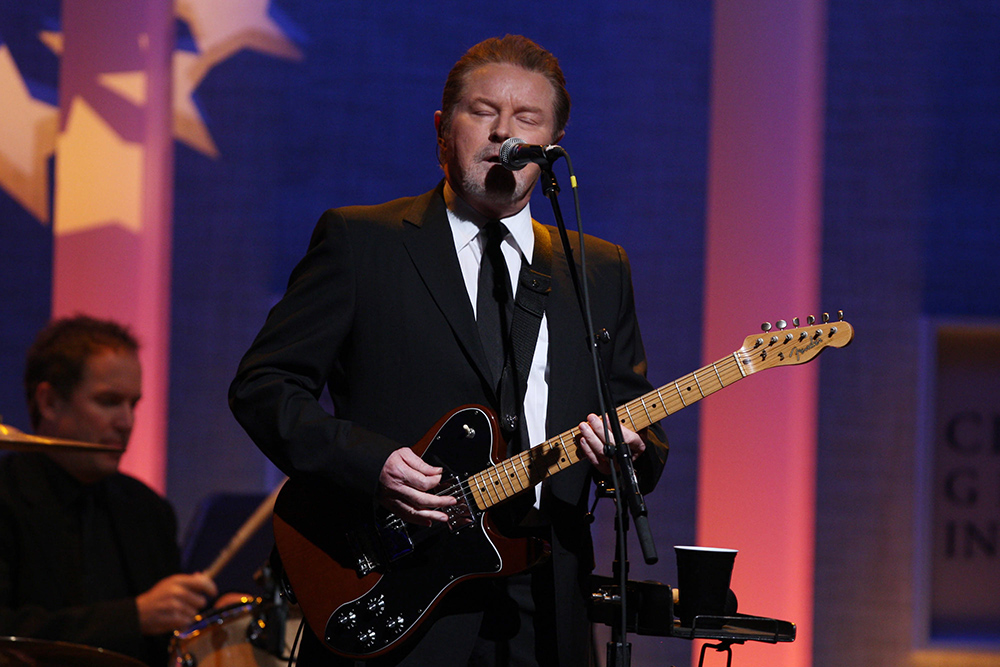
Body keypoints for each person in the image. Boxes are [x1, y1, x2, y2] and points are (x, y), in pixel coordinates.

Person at [229, 35, 668, 666]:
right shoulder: (363, 242)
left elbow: (635, 422)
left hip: (546, 598)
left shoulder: (597, 269)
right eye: (483, 113)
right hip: (399, 579)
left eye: (527, 119)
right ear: (442, 129)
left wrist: (624, 455)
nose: (503, 134)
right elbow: (264, 385)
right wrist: (372, 463)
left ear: (552, 144)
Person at [0, 316, 219, 666]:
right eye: (108, 402)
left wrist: (209, 621)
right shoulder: (6, 495)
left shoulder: (148, 509)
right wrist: (133, 617)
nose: (127, 423)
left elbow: (167, 637)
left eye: (133, 404)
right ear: (49, 402)